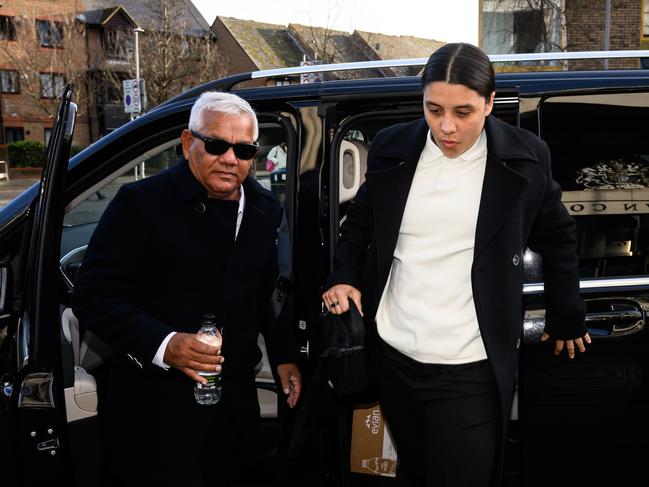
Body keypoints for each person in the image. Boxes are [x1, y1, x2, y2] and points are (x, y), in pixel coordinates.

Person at [322, 43, 590, 487]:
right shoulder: (392, 147)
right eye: (434, 109)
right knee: (415, 472)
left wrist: (567, 313)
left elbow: (559, 235)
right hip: (395, 355)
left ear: (489, 103)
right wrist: (344, 276)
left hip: (470, 365)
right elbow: (361, 222)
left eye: (463, 112)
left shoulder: (524, 157)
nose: (446, 127)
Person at [73, 91, 302, 486]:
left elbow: (266, 291)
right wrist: (166, 343)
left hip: (234, 404)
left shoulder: (265, 208)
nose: (230, 159)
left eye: (244, 150)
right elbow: (93, 295)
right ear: (187, 143)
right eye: (216, 145)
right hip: (153, 408)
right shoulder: (140, 203)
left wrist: (283, 355)